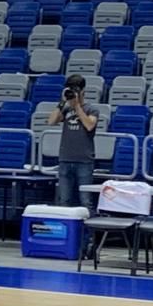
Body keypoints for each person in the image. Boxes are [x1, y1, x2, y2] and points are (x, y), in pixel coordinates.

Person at [47, 74, 98, 215]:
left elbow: (89, 125)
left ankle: (88, 236)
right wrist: (62, 103)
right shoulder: (66, 109)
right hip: (65, 159)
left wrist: (77, 106)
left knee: (85, 201)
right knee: (64, 200)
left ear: (83, 92)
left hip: (84, 161)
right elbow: (51, 121)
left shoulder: (91, 109)